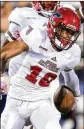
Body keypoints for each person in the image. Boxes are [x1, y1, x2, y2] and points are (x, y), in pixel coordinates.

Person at [1, 7, 81, 129]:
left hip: (41, 101)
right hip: (16, 100)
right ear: (53, 27)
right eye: (65, 30)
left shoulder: (72, 52)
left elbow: (69, 73)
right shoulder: (37, 35)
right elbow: (4, 54)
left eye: (71, 33)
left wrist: (75, 94)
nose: (68, 37)